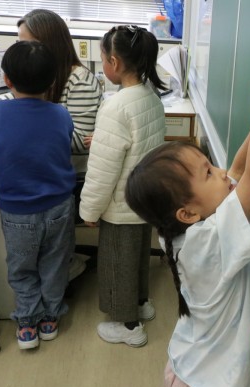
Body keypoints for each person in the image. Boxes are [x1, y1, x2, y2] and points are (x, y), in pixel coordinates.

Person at [125, 50, 250, 387]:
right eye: (208, 173)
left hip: (189, 370)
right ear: (187, 213)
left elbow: (237, 168)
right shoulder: (206, 242)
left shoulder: (178, 230)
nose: (220, 173)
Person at [0, 8, 103, 280]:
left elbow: (81, 141)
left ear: (47, 44)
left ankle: (63, 267)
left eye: (25, 42)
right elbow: (15, 100)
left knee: (29, 265)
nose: (20, 48)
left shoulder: (79, 80)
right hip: (41, 172)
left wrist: (33, 130)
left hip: (66, 175)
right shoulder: (35, 77)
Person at [0, 41, 76, 350]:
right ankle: (50, 318)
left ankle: (27, 324)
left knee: (22, 268)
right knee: (55, 264)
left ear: (6, 79)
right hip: (59, 204)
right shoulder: (61, 114)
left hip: (16, 210)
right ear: (52, 82)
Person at [79, 25, 167, 347]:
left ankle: (128, 326)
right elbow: (138, 144)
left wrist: (89, 210)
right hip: (142, 201)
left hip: (120, 206)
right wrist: (102, 138)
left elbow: (102, 172)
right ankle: (141, 304)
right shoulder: (150, 97)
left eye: (103, 59)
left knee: (118, 265)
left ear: (114, 62)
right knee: (138, 258)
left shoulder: (115, 107)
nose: (103, 64)